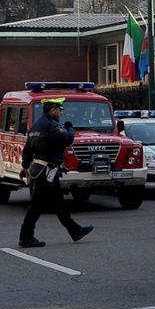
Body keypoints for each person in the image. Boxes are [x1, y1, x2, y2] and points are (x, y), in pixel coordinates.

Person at [18, 98, 93, 248]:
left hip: (41, 169)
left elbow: (28, 149)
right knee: (37, 205)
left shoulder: (35, 126)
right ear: (52, 109)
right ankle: (25, 237)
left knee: (57, 203)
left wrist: (25, 166)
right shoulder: (51, 125)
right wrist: (70, 128)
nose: (61, 112)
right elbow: (67, 139)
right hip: (47, 170)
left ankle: (75, 230)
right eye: (60, 109)